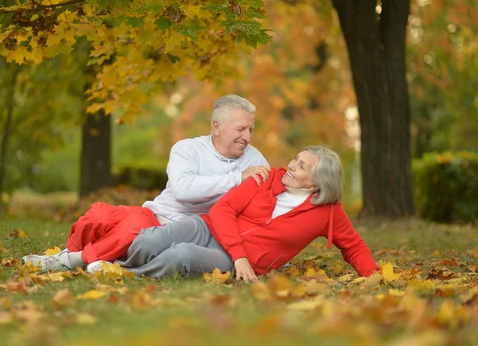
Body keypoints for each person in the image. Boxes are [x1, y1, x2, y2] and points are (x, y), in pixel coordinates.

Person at [23, 94, 270, 272]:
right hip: (158, 217)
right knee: (104, 217)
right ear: (217, 127)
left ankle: (72, 261)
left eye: (251, 129)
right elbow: (184, 191)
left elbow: (267, 205)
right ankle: (91, 256)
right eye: (241, 129)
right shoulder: (188, 148)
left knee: (138, 231)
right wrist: (238, 178)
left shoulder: (256, 159)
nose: (247, 136)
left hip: (199, 234)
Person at [89, 146, 379, 280]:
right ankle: (122, 260)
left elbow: (353, 245)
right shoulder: (265, 177)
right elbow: (222, 210)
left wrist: (374, 276)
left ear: (317, 183)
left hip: (232, 259)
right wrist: (240, 254)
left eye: (302, 166)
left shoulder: (327, 212)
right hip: (209, 230)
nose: (291, 165)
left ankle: (126, 274)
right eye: (296, 158)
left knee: (182, 256)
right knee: (150, 240)